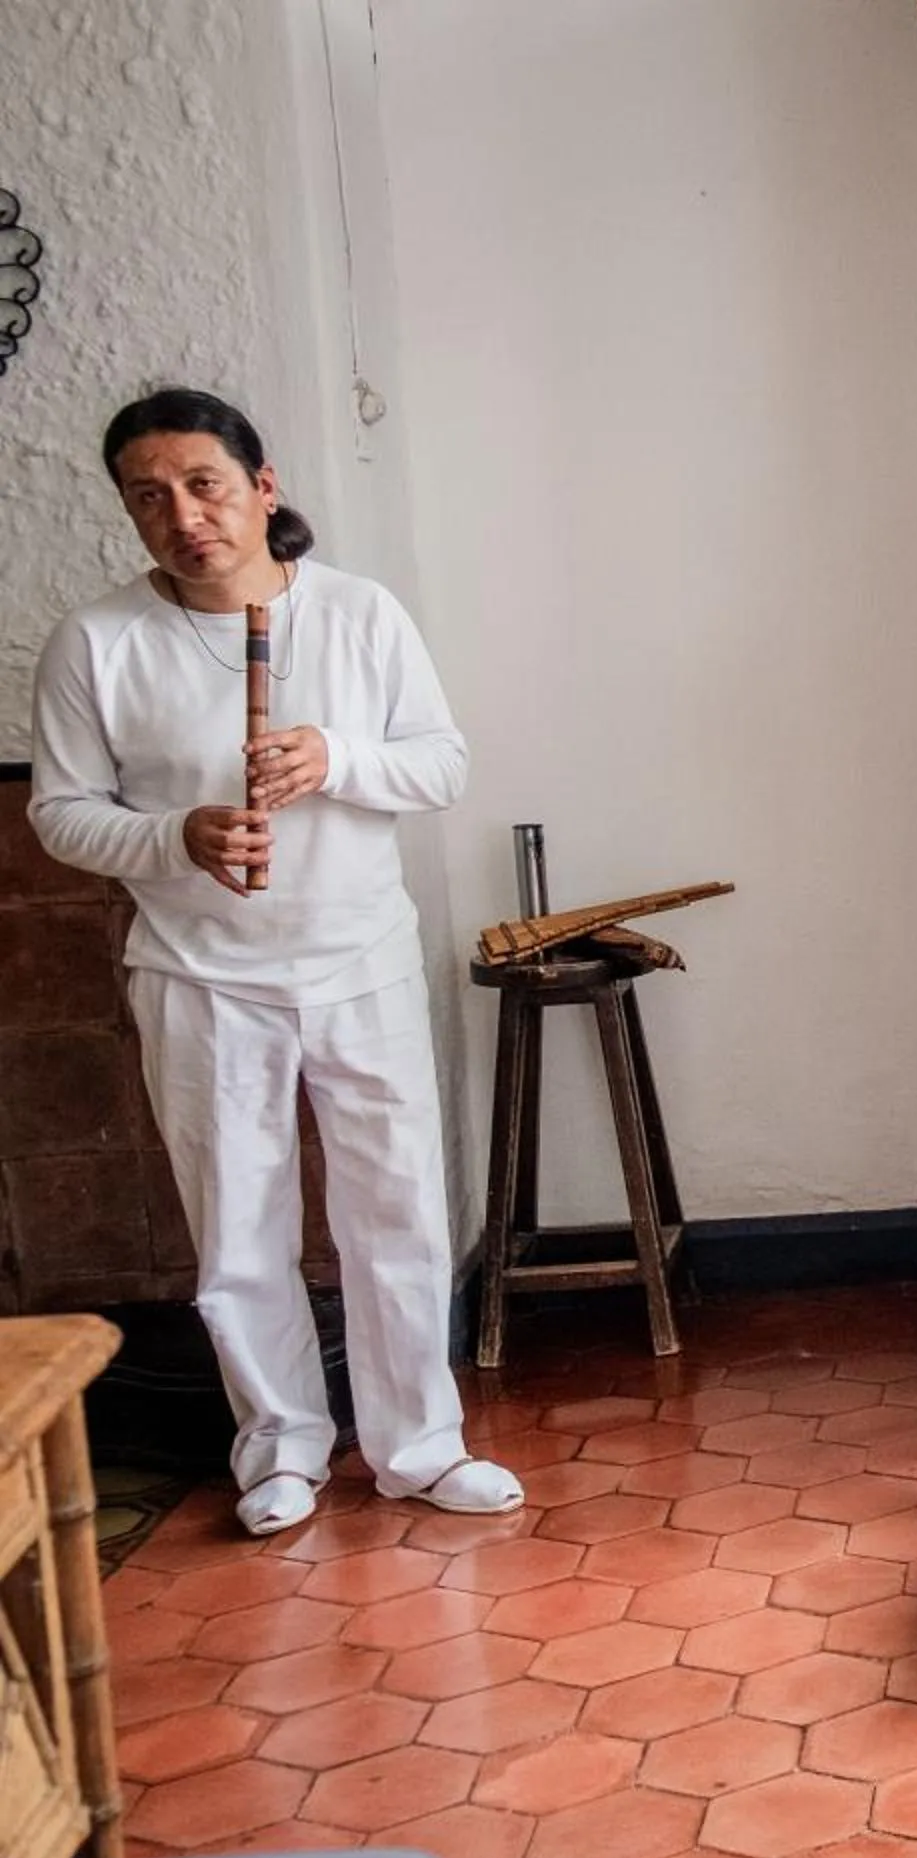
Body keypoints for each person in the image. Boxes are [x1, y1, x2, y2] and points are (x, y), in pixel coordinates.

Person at [28, 388, 523, 1536]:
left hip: (360, 959)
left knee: (394, 1210)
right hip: (198, 972)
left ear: (263, 486)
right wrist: (176, 835)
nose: (182, 515)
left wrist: (336, 755)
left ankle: (417, 1444)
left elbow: (440, 765)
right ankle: (281, 1446)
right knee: (238, 1222)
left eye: (204, 484)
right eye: (149, 497)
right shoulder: (96, 641)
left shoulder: (359, 614)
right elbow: (61, 816)